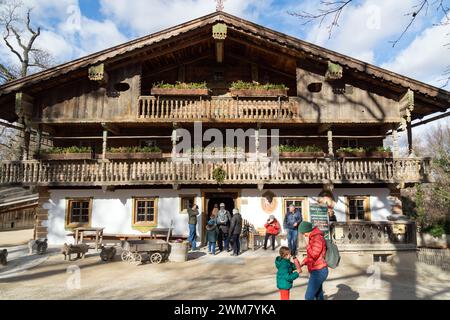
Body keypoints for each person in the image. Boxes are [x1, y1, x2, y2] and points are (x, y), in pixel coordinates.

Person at [297, 221, 328, 300]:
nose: (304, 235)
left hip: (319, 271)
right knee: (318, 295)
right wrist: (304, 262)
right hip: (317, 270)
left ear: (307, 230)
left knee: (309, 296)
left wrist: (307, 246)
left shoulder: (317, 238)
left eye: (304, 233)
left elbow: (314, 254)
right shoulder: (313, 237)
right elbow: (311, 256)